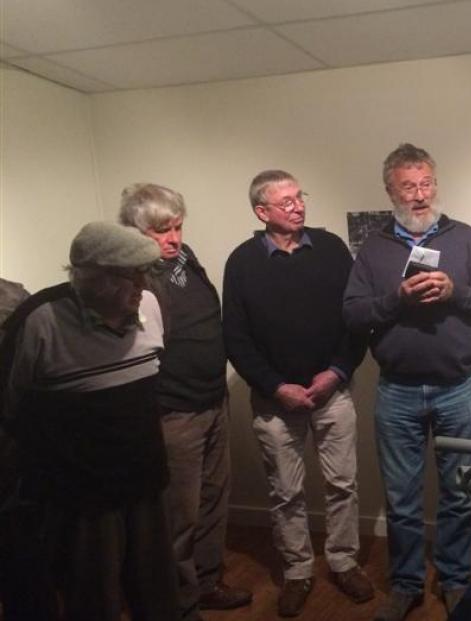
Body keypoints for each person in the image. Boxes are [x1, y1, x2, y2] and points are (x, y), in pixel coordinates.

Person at [343, 143, 471, 621]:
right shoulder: (375, 248)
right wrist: (396, 298)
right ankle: (407, 584)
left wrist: (456, 291)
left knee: (459, 492)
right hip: (397, 390)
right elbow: (353, 314)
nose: (419, 195)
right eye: (408, 186)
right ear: (390, 191)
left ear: (436, 185)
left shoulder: (465, 238)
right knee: (401, 497)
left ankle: (455, 580)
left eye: (426, 184)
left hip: (460, 386)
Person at [0, 222, 178, 621]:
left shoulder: (148, 304)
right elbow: (12, 406)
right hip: (82, 496)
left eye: (143, 273)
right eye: (128, 275)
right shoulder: (41, 321)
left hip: (147, 479)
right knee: (93, 598)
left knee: (158, 593)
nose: (141, 284)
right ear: (90, 277)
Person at [222, 170, 373, 617]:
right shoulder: (242, 261)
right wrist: (274, 386)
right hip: (274, 401)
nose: (297, 206)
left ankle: (343, 562)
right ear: (261, 211)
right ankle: (298, 571)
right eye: (285, 201)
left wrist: (338, 371)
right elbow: (236, 336)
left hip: (333, 392)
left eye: (299, 197)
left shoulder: (330, 249)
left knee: (342, 484)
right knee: (285, 492)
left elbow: (356, 319)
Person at [119, 183, 251, 620]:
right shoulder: (131, 280)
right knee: (180, 516)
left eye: (177, 226)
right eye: (161, 230)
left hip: (212, 401)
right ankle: (178, 603)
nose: (173, 238)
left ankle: (208, 582)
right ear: (135, 231)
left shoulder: (184, 258)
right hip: (174, 412)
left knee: (215, 500)